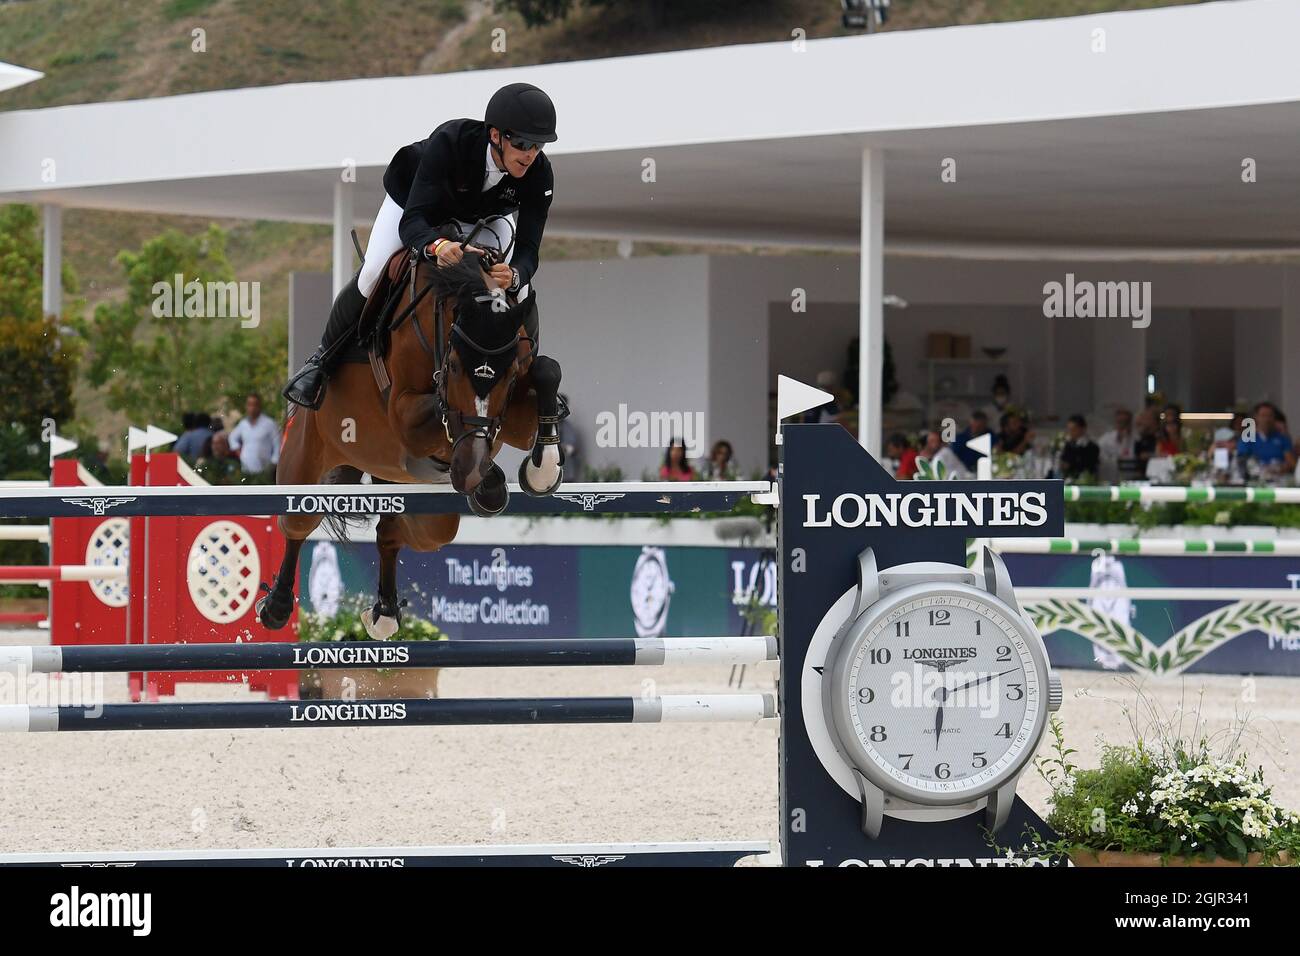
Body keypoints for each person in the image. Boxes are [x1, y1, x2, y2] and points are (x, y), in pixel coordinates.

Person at [283, 82, 558, 409]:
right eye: (523, 143)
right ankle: (321, 361)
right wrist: (437, 246)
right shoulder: (451, 143)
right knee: (373, 270)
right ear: (496, 136)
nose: (530, 155)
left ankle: (527, 376)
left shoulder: (539, 174)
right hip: (415, 203)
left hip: (483, 215)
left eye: (538, 146)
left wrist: (513, 275)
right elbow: (413, 221)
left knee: (522, 289)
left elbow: (529, 248)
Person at [228, 394, 280, 476]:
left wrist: (274, 462)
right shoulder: (243, 424)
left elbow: (278, 444)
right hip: (246, 469)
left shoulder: (269, 423)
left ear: (260, 406)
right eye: (249, 404)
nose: (252, 408)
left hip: (264, 471)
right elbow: (232, 438)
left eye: (255, 404)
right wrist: (240, 453)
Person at [1238, 401, 1295, 472]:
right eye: (1263, 415)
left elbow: (1292, 464)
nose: (1266, 419)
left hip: (1279, 478)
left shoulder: (1283, 438)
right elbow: (1242, 463)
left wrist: (1280, 469)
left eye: (1270, 415)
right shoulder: (1247, 438)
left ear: (1274, 417)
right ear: (1256, 417)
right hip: (1256, 479)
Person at [1097, 408, 1137, 482]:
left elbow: (1132, 457)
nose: (1122, 425)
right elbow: (1100, 456)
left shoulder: (1136, 439)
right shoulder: (1106, 438)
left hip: (1129, 478)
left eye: (1125, 422)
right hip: (1108, 477)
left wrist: (1125, 440)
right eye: (1119, 422)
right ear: (1115, 422)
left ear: (1130, 423)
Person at [1057, 414, 1100, 480]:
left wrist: (1070, 464)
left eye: (1074, 429)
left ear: (1083, 429)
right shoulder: (1067, 445)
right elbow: (1063, 462)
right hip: (1068, 480)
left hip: (1085, 482)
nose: (1070, 432)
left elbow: (1089, 466)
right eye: (1069, 429)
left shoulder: (1092, 447)